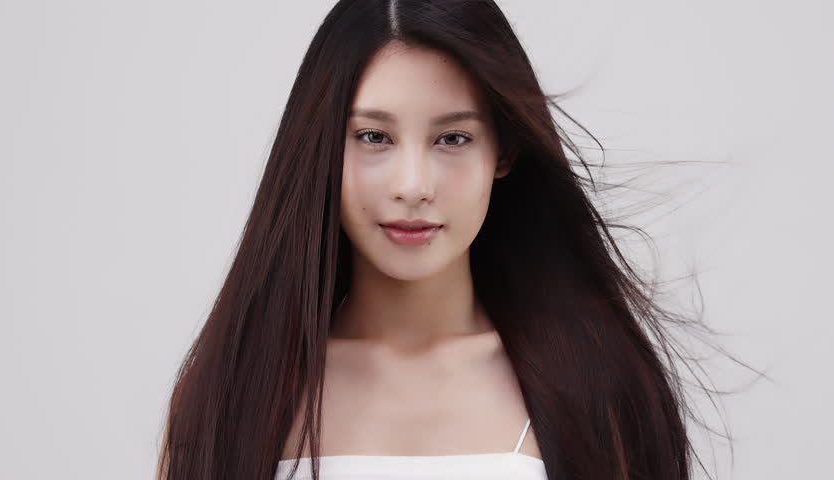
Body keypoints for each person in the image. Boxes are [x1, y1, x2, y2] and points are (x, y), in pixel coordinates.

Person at [156, 1, 728, 479]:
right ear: (322, 147)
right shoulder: (234, 391)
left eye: (452, 138)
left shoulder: (594, 385)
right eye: (374, 136)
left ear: (503, 151)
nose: (413, 186)